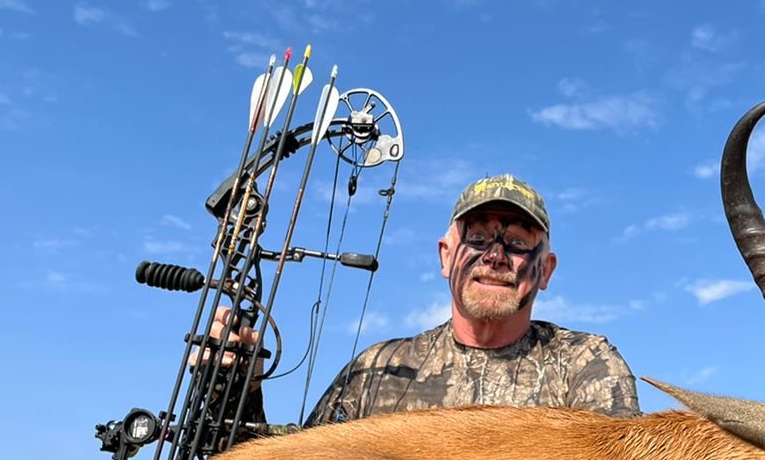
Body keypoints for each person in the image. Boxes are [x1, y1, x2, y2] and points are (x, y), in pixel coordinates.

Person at [222, 174, 639, 429]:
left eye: (516, 243)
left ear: (545, 270)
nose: (494, 257)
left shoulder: (586, 364)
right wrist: (242, 386)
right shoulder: (378, 371)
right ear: (445, 256)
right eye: (476, 239)